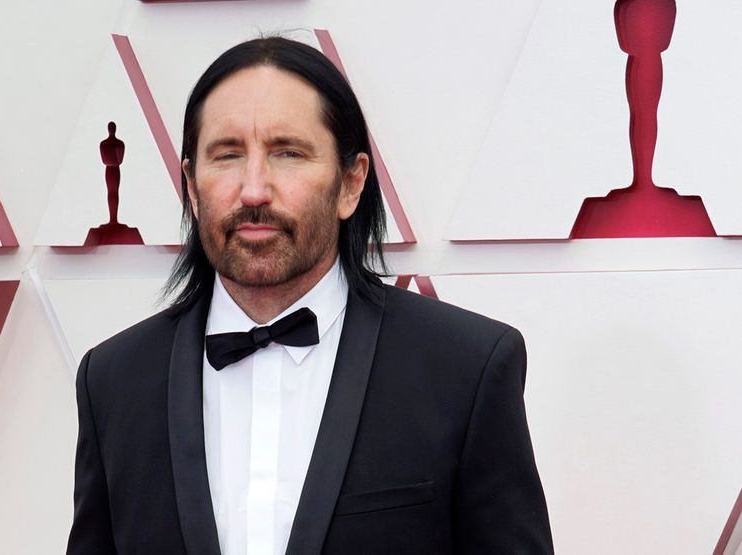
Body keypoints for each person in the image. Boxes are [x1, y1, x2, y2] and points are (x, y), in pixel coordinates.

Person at [67, 36, 553, 554]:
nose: (254, 190)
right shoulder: (113, 382)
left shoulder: (466, 369)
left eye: (288, 154)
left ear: (350, 183)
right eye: (227, 155)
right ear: (191, 184)